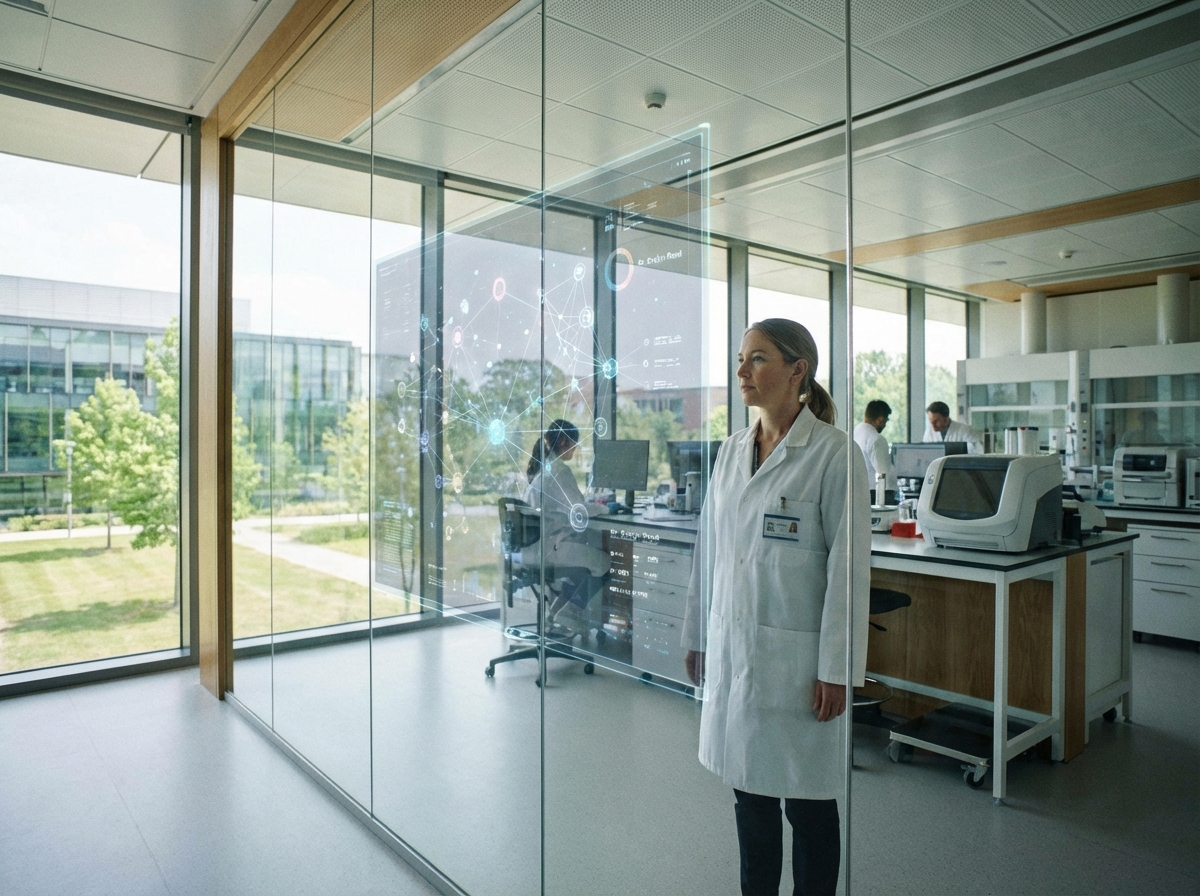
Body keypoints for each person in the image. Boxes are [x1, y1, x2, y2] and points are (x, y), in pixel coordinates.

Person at [682, 319, 870, 896]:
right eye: (741, 359)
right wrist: (699, 633)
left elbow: (848, 571)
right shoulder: (734, 450)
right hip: (736, 649)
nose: (742, 372)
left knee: (808, 805)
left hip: (798, 663)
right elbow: (710, 550)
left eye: (757, 359)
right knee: (750, 800)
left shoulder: (834, 455)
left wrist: (837, 669)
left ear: (798, 370)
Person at [524, 420, 607, 630]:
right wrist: (607, 508)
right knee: (603, 562)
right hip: (549, 551)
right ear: (563, 442)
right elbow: (579, 510)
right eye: (574, 443)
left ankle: (557, 614)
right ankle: (570, 613)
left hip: (531, 551)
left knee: (582, 563)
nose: (576, 448)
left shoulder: (542, 470)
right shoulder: (559, 470)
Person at [853, 399, 893, 502]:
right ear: (880, 420)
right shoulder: (876, 439)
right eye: (886, 420)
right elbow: (882, 475)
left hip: (857, 492)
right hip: (875, 495)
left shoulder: (855, 433)